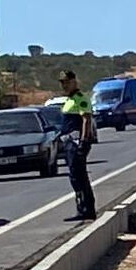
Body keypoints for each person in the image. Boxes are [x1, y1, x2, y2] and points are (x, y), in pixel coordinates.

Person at [56, 71, 98, 221]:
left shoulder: (81, 98)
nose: (64, 85)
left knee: (79, 176)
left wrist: (83, 142)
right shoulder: (69, 100)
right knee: (75, 176)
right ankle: (82, 208)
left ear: (74, 81)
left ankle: (87, 209)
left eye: (67, 82)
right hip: (68, 142)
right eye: (62, 82)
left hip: (76, 143)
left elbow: (86, 119)